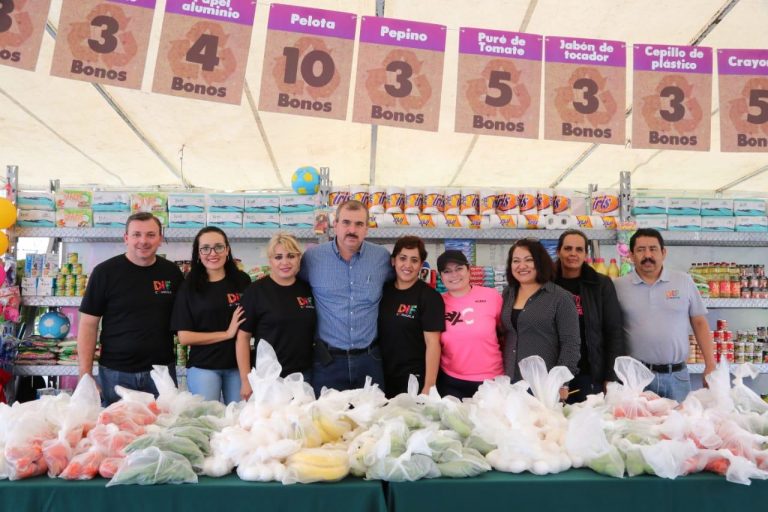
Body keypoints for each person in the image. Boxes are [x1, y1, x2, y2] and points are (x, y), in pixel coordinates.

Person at [77, 212, 184, 406]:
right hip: (116, 373)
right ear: (126, 238)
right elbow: (88, 325)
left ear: (160, 238)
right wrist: (85, 374)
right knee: (117, 432)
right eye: (136, 234)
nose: (143, 241)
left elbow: (185, 318)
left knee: (162, 432)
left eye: (151, 235)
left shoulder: (172, 273)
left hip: (161, 372)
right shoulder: (105, 273)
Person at [299, 199, 392, 395]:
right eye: (346, 222)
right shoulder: (312, 259)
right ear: (335, 225)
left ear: (367, 228)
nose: (352, 229)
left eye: (359, 224)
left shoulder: (381, 258)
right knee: (327, 422)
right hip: (328, 361)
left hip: (370, 360)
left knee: (373, 420)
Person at [614, 228, 715, 402]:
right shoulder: (618, 286)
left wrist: (710, 364)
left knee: (681, 427)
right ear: (631, 255)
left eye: (653, 249)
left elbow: (699, 322)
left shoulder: (684, 281)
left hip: (677, 377)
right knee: (640, 428)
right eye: (640, 250)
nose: (647, 255)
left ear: (663, 252)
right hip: (637, 378)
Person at [170, 227, 250, 404]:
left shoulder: (243, 281)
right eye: (205, 248)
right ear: (198, 253)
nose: (212, 253)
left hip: (239, 367)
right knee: (209, 423)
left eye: (218, 247)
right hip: (204, 367)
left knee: (240, 422)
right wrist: (227, 334)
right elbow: (184, 337)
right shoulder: (188, 287)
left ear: (227, 250)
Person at [237, 233, 316, 400]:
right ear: (270, 260)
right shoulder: (256, 291)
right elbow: (243, 338)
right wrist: (245, 380)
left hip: (304, 377)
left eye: (291, 256)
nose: (285, 262)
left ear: (299, 258)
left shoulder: (308, 289)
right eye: (278, 257)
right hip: (269, 378)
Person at [500, 238, 580, 401]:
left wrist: (562, 382)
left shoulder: (560, 297)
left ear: (540, 262)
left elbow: (571, 343)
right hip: (510, 380)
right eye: (516, 261)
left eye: (529, 260)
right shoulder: (508, 293)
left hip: (544, 384)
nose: (522, 266)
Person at [554, 229, 625, 403]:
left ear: (586, 254)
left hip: (590, 375)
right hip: (553, 376)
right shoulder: (546, 283)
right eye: (568, 248)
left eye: (579, 249)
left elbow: (614, 331)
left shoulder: (600, 284)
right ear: (558, 251)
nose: (573, 254)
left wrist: (611, 375)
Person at [378, 236, 444, 397]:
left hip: (415, 380)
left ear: (421, 265)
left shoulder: (429, 297)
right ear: (393, 261)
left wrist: (429, 386)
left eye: (414, 260)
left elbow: (433, 344)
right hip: (383, 377)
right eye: (402, 258)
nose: (407, 265)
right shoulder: (382, 291)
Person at [437, 250, 503, 399]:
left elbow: (503, 332)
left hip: (491, 381)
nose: (454, 275)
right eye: (447, 271)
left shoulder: (491, 296)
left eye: (459, 268)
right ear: (441, 277)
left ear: (469, 270)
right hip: (452, 382)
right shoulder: (436, 303)